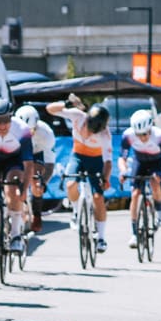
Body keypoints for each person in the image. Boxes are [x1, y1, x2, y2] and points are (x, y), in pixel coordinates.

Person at [46, 95, 112, 253]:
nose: (89, 133)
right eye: (89, 128)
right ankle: (76, 211)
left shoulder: (105, 135)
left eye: (93, 132)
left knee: (98, 197)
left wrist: (105, 178)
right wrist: (67, 103)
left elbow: (108, 162)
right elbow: (50, 109)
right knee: (70, 184)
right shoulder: (77, 115)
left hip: (96, 161)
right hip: (78, 156)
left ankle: (101, 237)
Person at [0, 97, 36, 254]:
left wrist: (25, 189)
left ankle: (15, 235)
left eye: (5, 120)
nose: (1, 125)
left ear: (11, 118)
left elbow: (28, 164)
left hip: (13, 160)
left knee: (12, 188)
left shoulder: (23, 129)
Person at [119, 107, 161, 245]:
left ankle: (159, 211)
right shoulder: (127, 135)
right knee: (135, 194)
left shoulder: (160, 135)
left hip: (157, 161)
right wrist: (123, 171)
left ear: (150, 128)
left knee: (155, 184)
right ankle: (134, 233)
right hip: (140, 161)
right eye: (139, 134)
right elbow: (122, 158)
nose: (142, 138)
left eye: (145, 133)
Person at [15, 104, 56, 233]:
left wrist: (43, 182)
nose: (27, 134)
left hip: (36, 153)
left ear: (37, 126)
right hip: (19, 152)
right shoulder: (12, 129)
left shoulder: (46, 134)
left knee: (37, 182)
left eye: (30, 131)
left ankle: (37, 213)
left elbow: (49, 163)